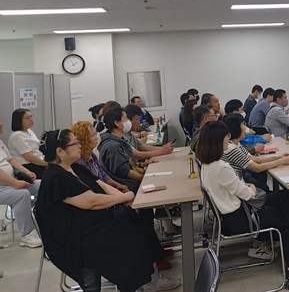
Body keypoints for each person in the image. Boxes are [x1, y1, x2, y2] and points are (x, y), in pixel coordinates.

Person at [36, 129, 180, 292]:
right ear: (60, 151)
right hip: (72, 238)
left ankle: (151, 275)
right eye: (75, 143)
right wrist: (125, 198)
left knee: (141, 217)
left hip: (86, 223)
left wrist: (127, 201)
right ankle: (145, 280)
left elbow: (102, 185)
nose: (79, 145)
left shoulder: (73, 167)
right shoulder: (57, 177)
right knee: (131, 233)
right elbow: (91, 202)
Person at [197, 121, 289, 278]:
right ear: (218, 140)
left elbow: (234, 185)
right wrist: (250, 187)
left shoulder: (207, 164)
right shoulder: (221, 167)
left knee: (284, 197)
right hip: (241, 217)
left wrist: (245, 186)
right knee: (286, 218)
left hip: (233, 214)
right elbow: (248, 194)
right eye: (226, 136)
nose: (228, 139)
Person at [222, 113, 289, 192]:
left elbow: (254, 158)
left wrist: (279, 157)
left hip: (241, 181)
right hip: (240, 186)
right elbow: (257, 168)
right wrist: (282, 161)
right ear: (236, 128)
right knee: (277, 191)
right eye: (242, 125)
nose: (245, 128)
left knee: (263, 183)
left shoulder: (236, 143)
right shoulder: (231, 148)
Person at [0, 119, 42, 248]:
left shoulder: (0, 142)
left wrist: (27, 172)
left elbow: (11, 161)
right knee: (21, 195)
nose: (1, 123)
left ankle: (46, 220)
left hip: (10, 183)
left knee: (42, 185)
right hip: (2, 187)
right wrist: (15, 183)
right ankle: (27, 235)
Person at [98, 106, 152, 193]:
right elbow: (125, 171)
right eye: (126, 118)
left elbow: (127, 163)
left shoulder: (119, 140)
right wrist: (145, 178)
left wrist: (142, 164)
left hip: (132, 183)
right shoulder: (113, 146)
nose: (128, 121)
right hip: (129, 187)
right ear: (117, 123)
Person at [71, 121, 129, 193]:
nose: (96, 138)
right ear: (84, 139)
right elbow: (93, 185)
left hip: (104, 189)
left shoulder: (92, 155)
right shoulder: (79, 162)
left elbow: (103, 175)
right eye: (93, 135)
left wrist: (117, 185)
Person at [7, 109, 47, 178]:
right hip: (28, 166)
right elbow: (29, 157)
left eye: (31, 117)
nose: (31, 120)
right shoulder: (17, 135)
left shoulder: (30, 131)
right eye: (28, 118)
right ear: (19, 120)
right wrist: (47, 164)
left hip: (39, 162)